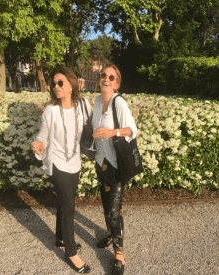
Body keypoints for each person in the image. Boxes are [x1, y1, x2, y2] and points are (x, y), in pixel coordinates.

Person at [31, 67, 91, 274]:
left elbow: (90, 129)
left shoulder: (83, 105)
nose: (55, 87)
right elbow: (43, 136)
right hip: (56, 161)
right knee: (69, 205)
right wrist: (40, 145)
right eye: (53, 83)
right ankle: (71, 252)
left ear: (71, 85)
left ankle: (59, 238)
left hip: (75, 160)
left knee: (63, 203)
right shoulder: (51, 110)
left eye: (60, 83)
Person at [92, 64, 137, 275]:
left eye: (111, 76)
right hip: (100, 162)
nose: (106, 79)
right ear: (99, 78)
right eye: (103, 75)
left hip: (115, 164)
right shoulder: (97, 101)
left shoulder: (119, 102)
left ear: (116, 82)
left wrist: (112, 132)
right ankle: (112, 233)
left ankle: (119, 255)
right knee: (105, 204)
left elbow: (132, 130)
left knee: (114, 210)